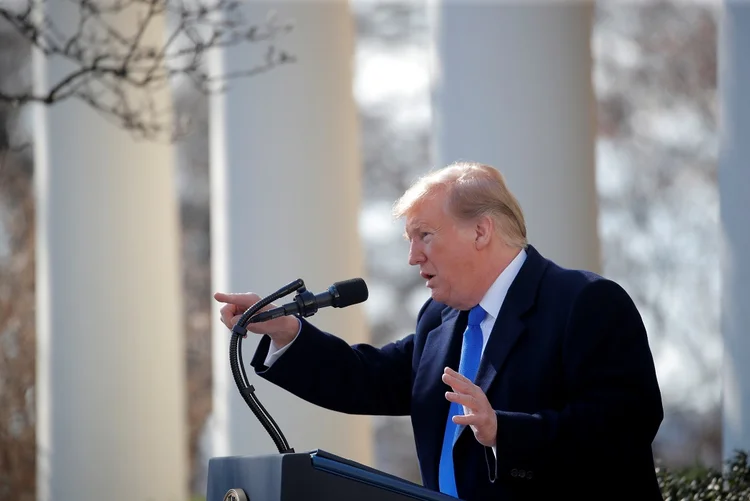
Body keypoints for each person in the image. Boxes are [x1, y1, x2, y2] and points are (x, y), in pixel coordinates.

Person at [214, 161, 664, 501]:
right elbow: (368, 378)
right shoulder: (440, 319)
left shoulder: (583, 302)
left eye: (425, 235)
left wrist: (503, 432)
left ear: (481, 231)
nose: (413, 256)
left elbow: (626, 424)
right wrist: (288, 331)